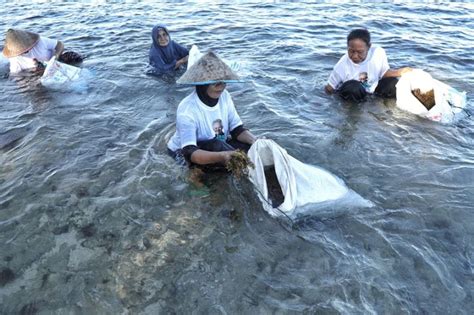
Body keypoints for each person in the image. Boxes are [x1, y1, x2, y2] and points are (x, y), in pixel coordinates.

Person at [167, 51, 257, 167]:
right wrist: (223, 156)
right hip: (184, 152)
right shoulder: (187, 110)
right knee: (218, 147)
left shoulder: (225, 96)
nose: (221, 86)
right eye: (215, 83)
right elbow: (190, 152)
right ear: (202, 84)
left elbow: (237, 130)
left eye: (223, 81)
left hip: (217, 143)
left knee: (250, 148)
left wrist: (256, 141)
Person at [325, 28, 412, 102]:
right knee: (353, 88)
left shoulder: (378, 53)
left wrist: (400, 72)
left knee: (392, 84)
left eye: (360, 52)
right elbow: (329, 88)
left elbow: (384, 73)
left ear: (369, 47)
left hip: (372, 93)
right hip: (354, 95)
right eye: (351, 51)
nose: (355, 56)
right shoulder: (341, 65)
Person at [2, 28, 82, 74]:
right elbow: (16, 76)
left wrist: (56, 57)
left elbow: (59, 44)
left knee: (74, 57)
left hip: (54, 62)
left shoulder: (41, 42)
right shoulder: (14, 59)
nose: (24, 51)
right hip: (37, 72)